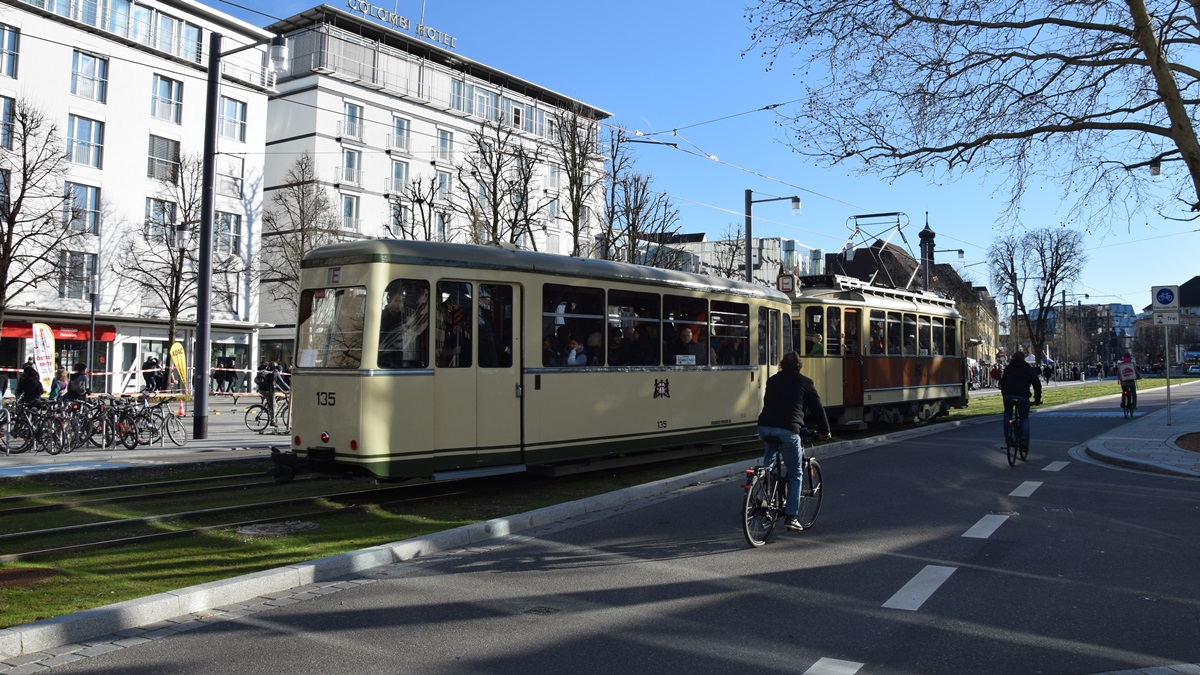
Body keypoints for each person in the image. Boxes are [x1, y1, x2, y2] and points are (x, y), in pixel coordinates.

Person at [757, 351, 832, 532]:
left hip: (764, 427)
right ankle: (791, 516)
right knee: (795, 472)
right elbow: (817, 409)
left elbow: (772, 403)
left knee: (769, 464)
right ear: (799, 367)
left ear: (782, 365)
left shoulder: (772, 380)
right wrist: (825, 431)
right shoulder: (805, 382)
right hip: (788, 431)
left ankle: (764, 485)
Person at [379, 281, 429, 368]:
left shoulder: (404, 318)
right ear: (389, 300)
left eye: (400, 301)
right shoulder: (381, 317)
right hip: (383, 356)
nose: (399, 304)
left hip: (400, 355)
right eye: (396, 301)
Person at [999, 351, 1042, 450]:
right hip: (1022, 396)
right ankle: (1023, 440)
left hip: (1008, 395)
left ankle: (1008, 437)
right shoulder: (1027, 368)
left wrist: (1005, 396)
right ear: (1023, 358)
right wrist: (1037, 399)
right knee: (1024, 418)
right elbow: (1037, 384)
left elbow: (1003, 382)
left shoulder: (1008, 368)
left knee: (1007, 414)